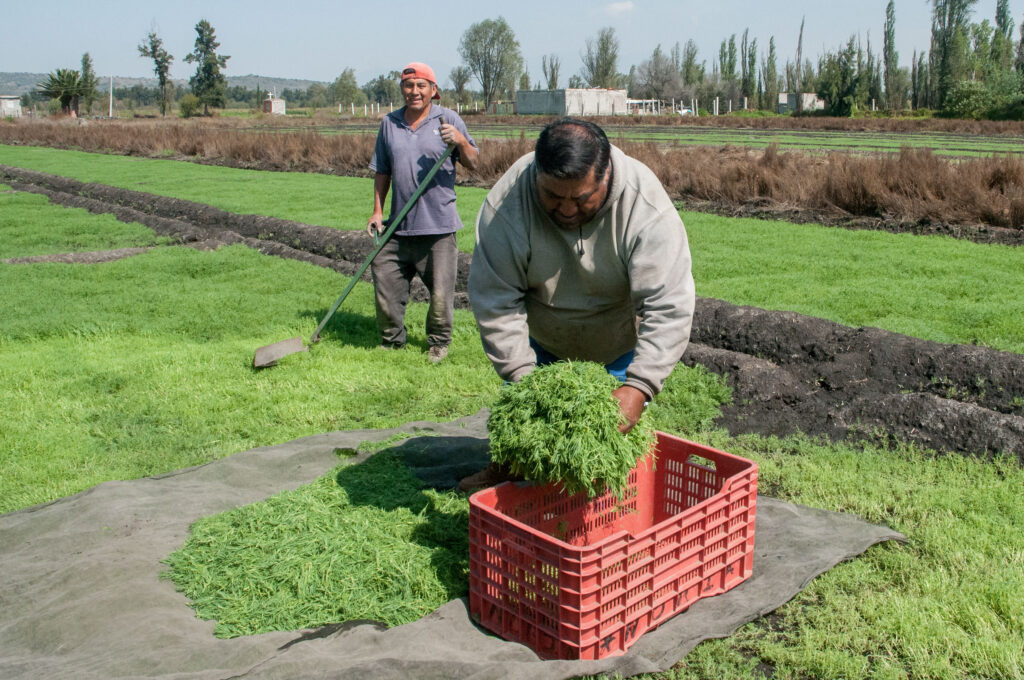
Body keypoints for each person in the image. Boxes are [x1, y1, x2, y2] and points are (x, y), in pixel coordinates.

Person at [461, 118, 695, 491]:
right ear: (538, 175)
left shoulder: (644, 206)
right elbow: (496, 301)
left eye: (582, 199)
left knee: (602, 462)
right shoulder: (507, 206)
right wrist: (525, 382)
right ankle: (509, 473)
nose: (567, 210)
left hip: (616, 346)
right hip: (542, 346)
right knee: (525, 435)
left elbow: (668, 305)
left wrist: (639, 386)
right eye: (553, 196)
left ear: (604, 177)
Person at [367, 62, 478, 362]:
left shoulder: (448, 119)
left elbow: (474, 162)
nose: (414, 91)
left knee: (442, 296)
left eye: (420, 85)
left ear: (433, 90)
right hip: (398, 226)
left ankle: (438, 343)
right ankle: (392, 340)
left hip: (438, 226)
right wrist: (378, 212)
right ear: (402, 89)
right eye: (408, 85)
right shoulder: (389, 124)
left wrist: (460, 141)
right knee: (385, 282)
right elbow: (382, 170)